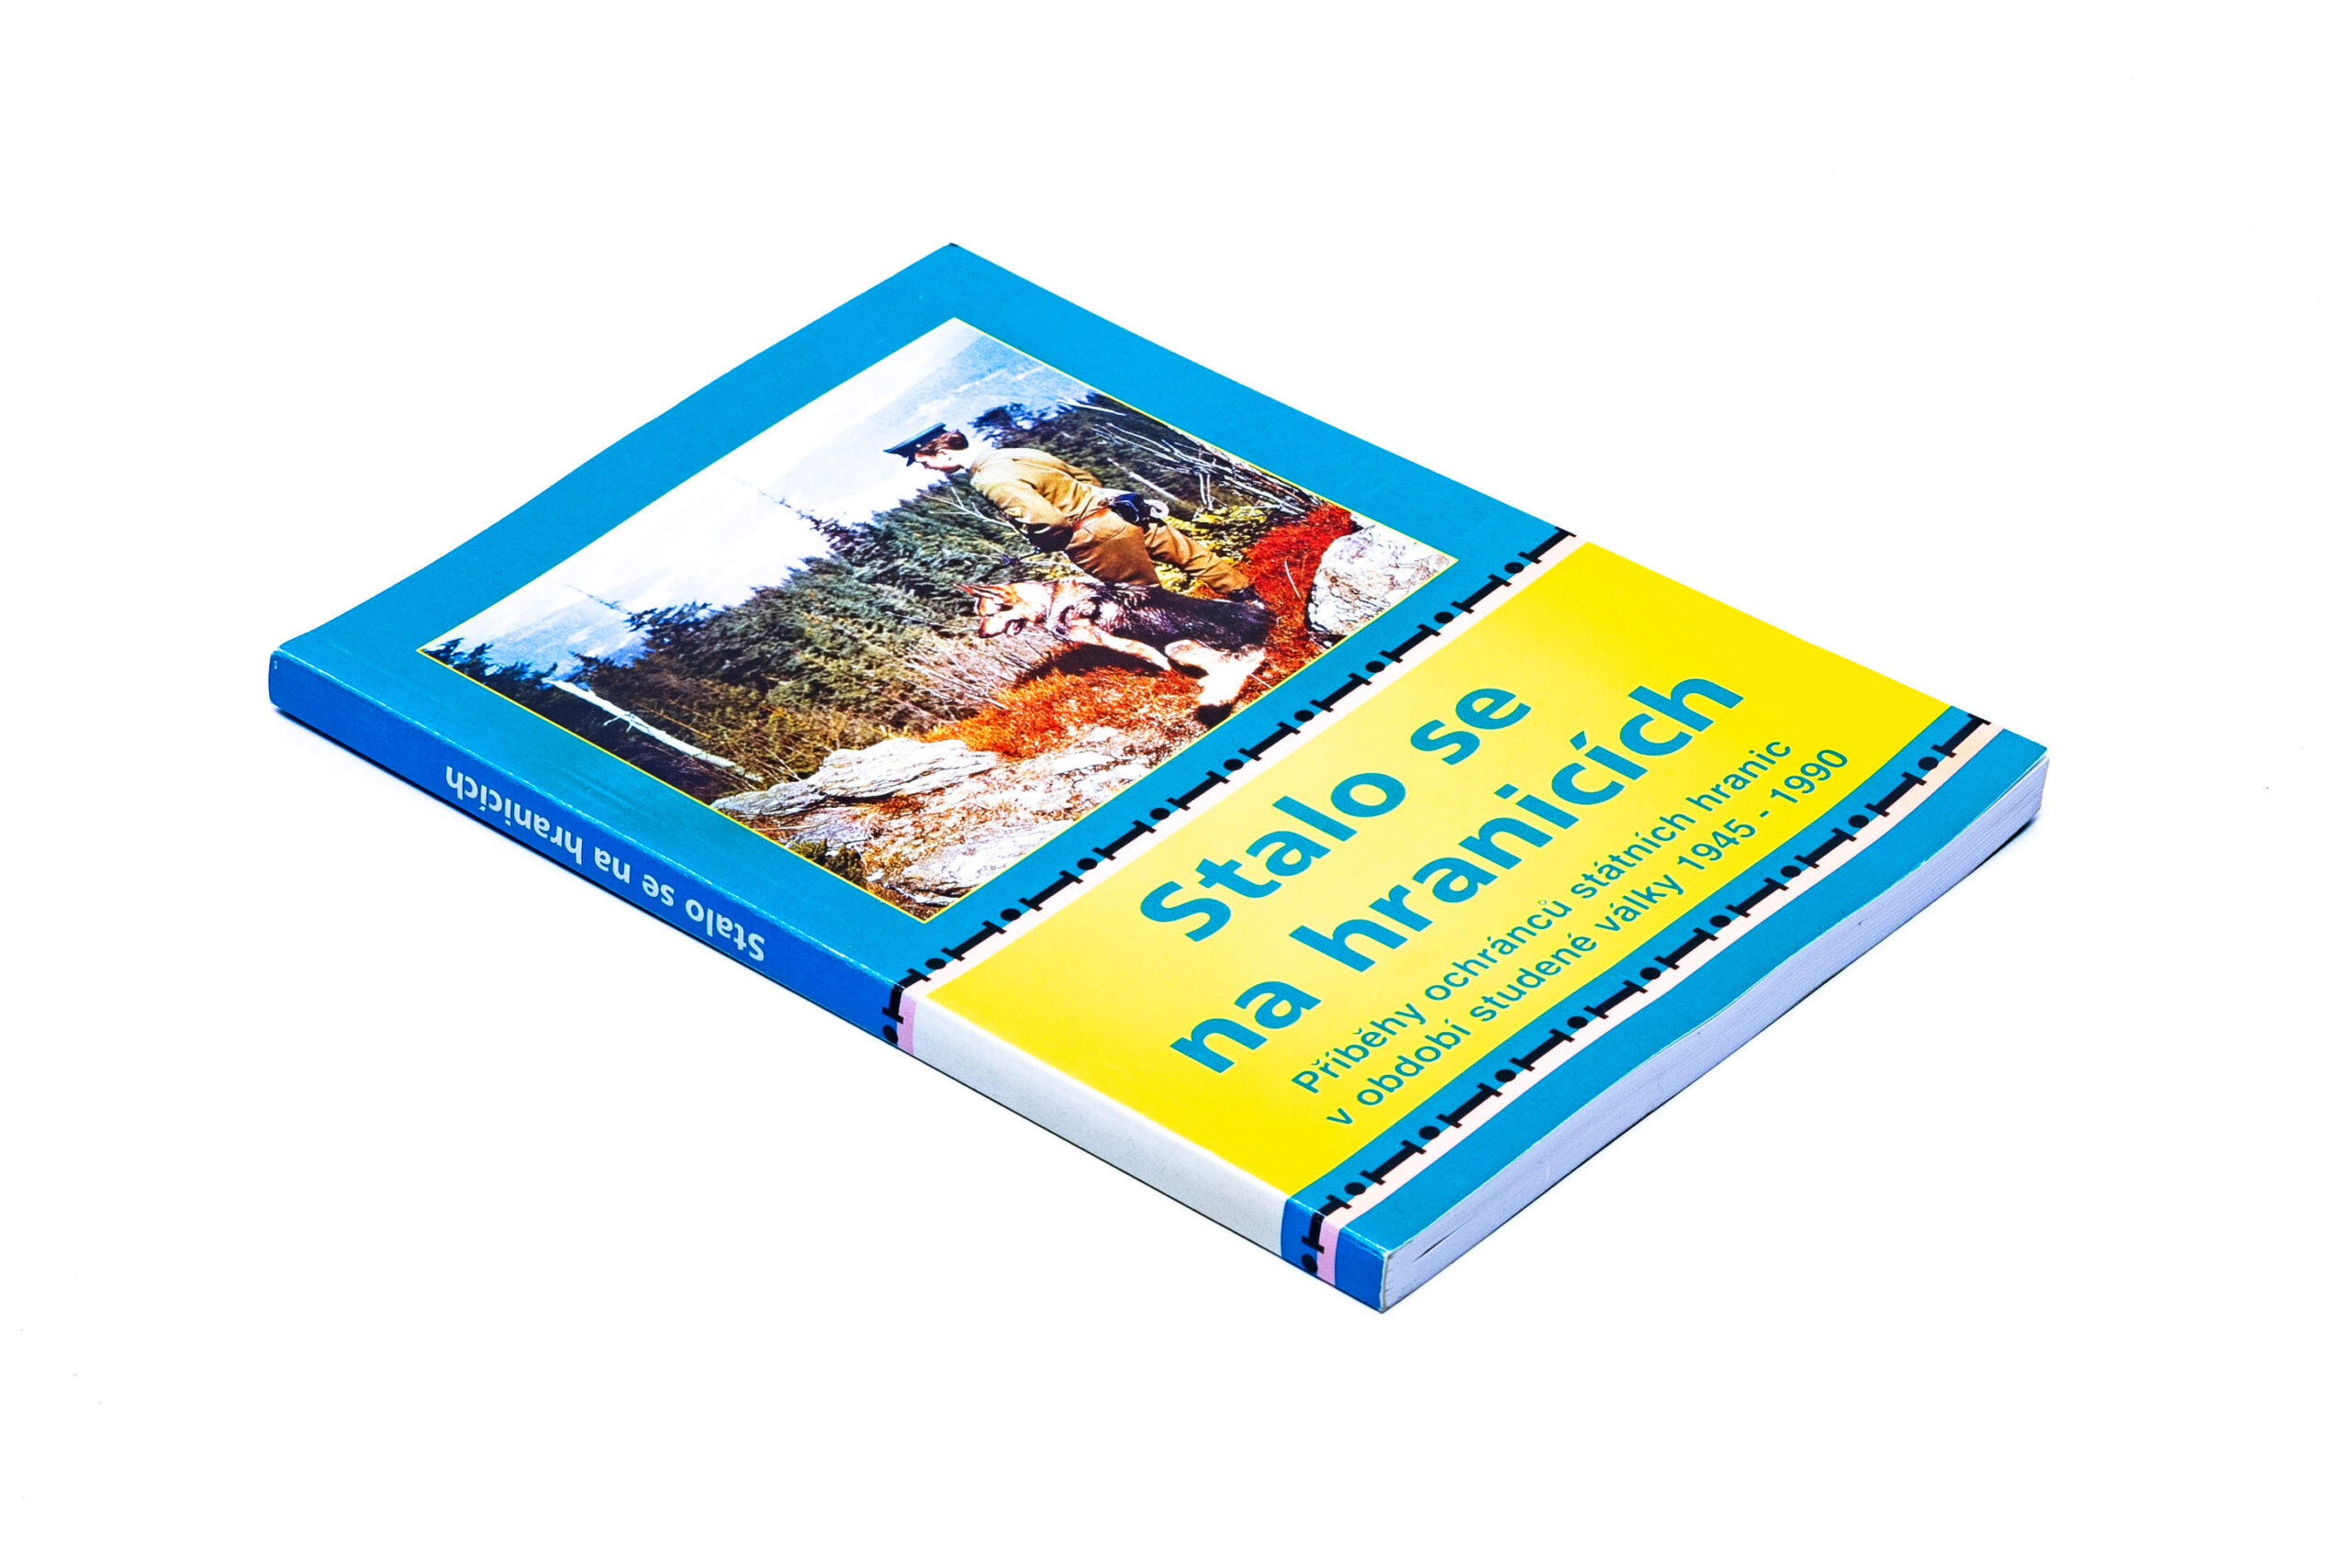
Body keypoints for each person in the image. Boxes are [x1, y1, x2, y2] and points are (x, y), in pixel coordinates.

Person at [885, 424, 1251, 595]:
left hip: (1097, 538)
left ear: (942, 453)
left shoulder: (988, 478)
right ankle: (1250, 602)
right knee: (1197, 559)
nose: (928, 469)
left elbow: (1050, 521)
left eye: (925, 462)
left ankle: (1211, 648)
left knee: (1146, 600)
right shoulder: (1015, 453)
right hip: (1125, 511)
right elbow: (1083, 477)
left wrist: (1047, 542)